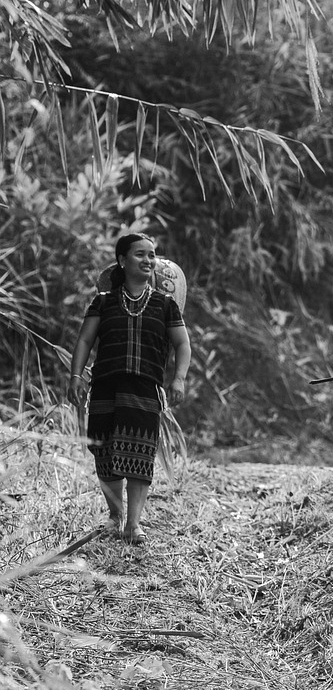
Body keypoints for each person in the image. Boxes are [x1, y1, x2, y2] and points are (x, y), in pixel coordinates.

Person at [69, 233, 192, 545]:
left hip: (144, 388)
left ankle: (133, 524)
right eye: (140, 254)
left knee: (140, 455)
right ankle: (115, 516)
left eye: (152, 255)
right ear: (122, 261)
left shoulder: (165, 305)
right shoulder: (103, 302)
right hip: (105, 386)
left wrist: (178, 378)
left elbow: (182, 344)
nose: (148, 260)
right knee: (105, 453)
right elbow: (85, 340)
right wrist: (75, 375)